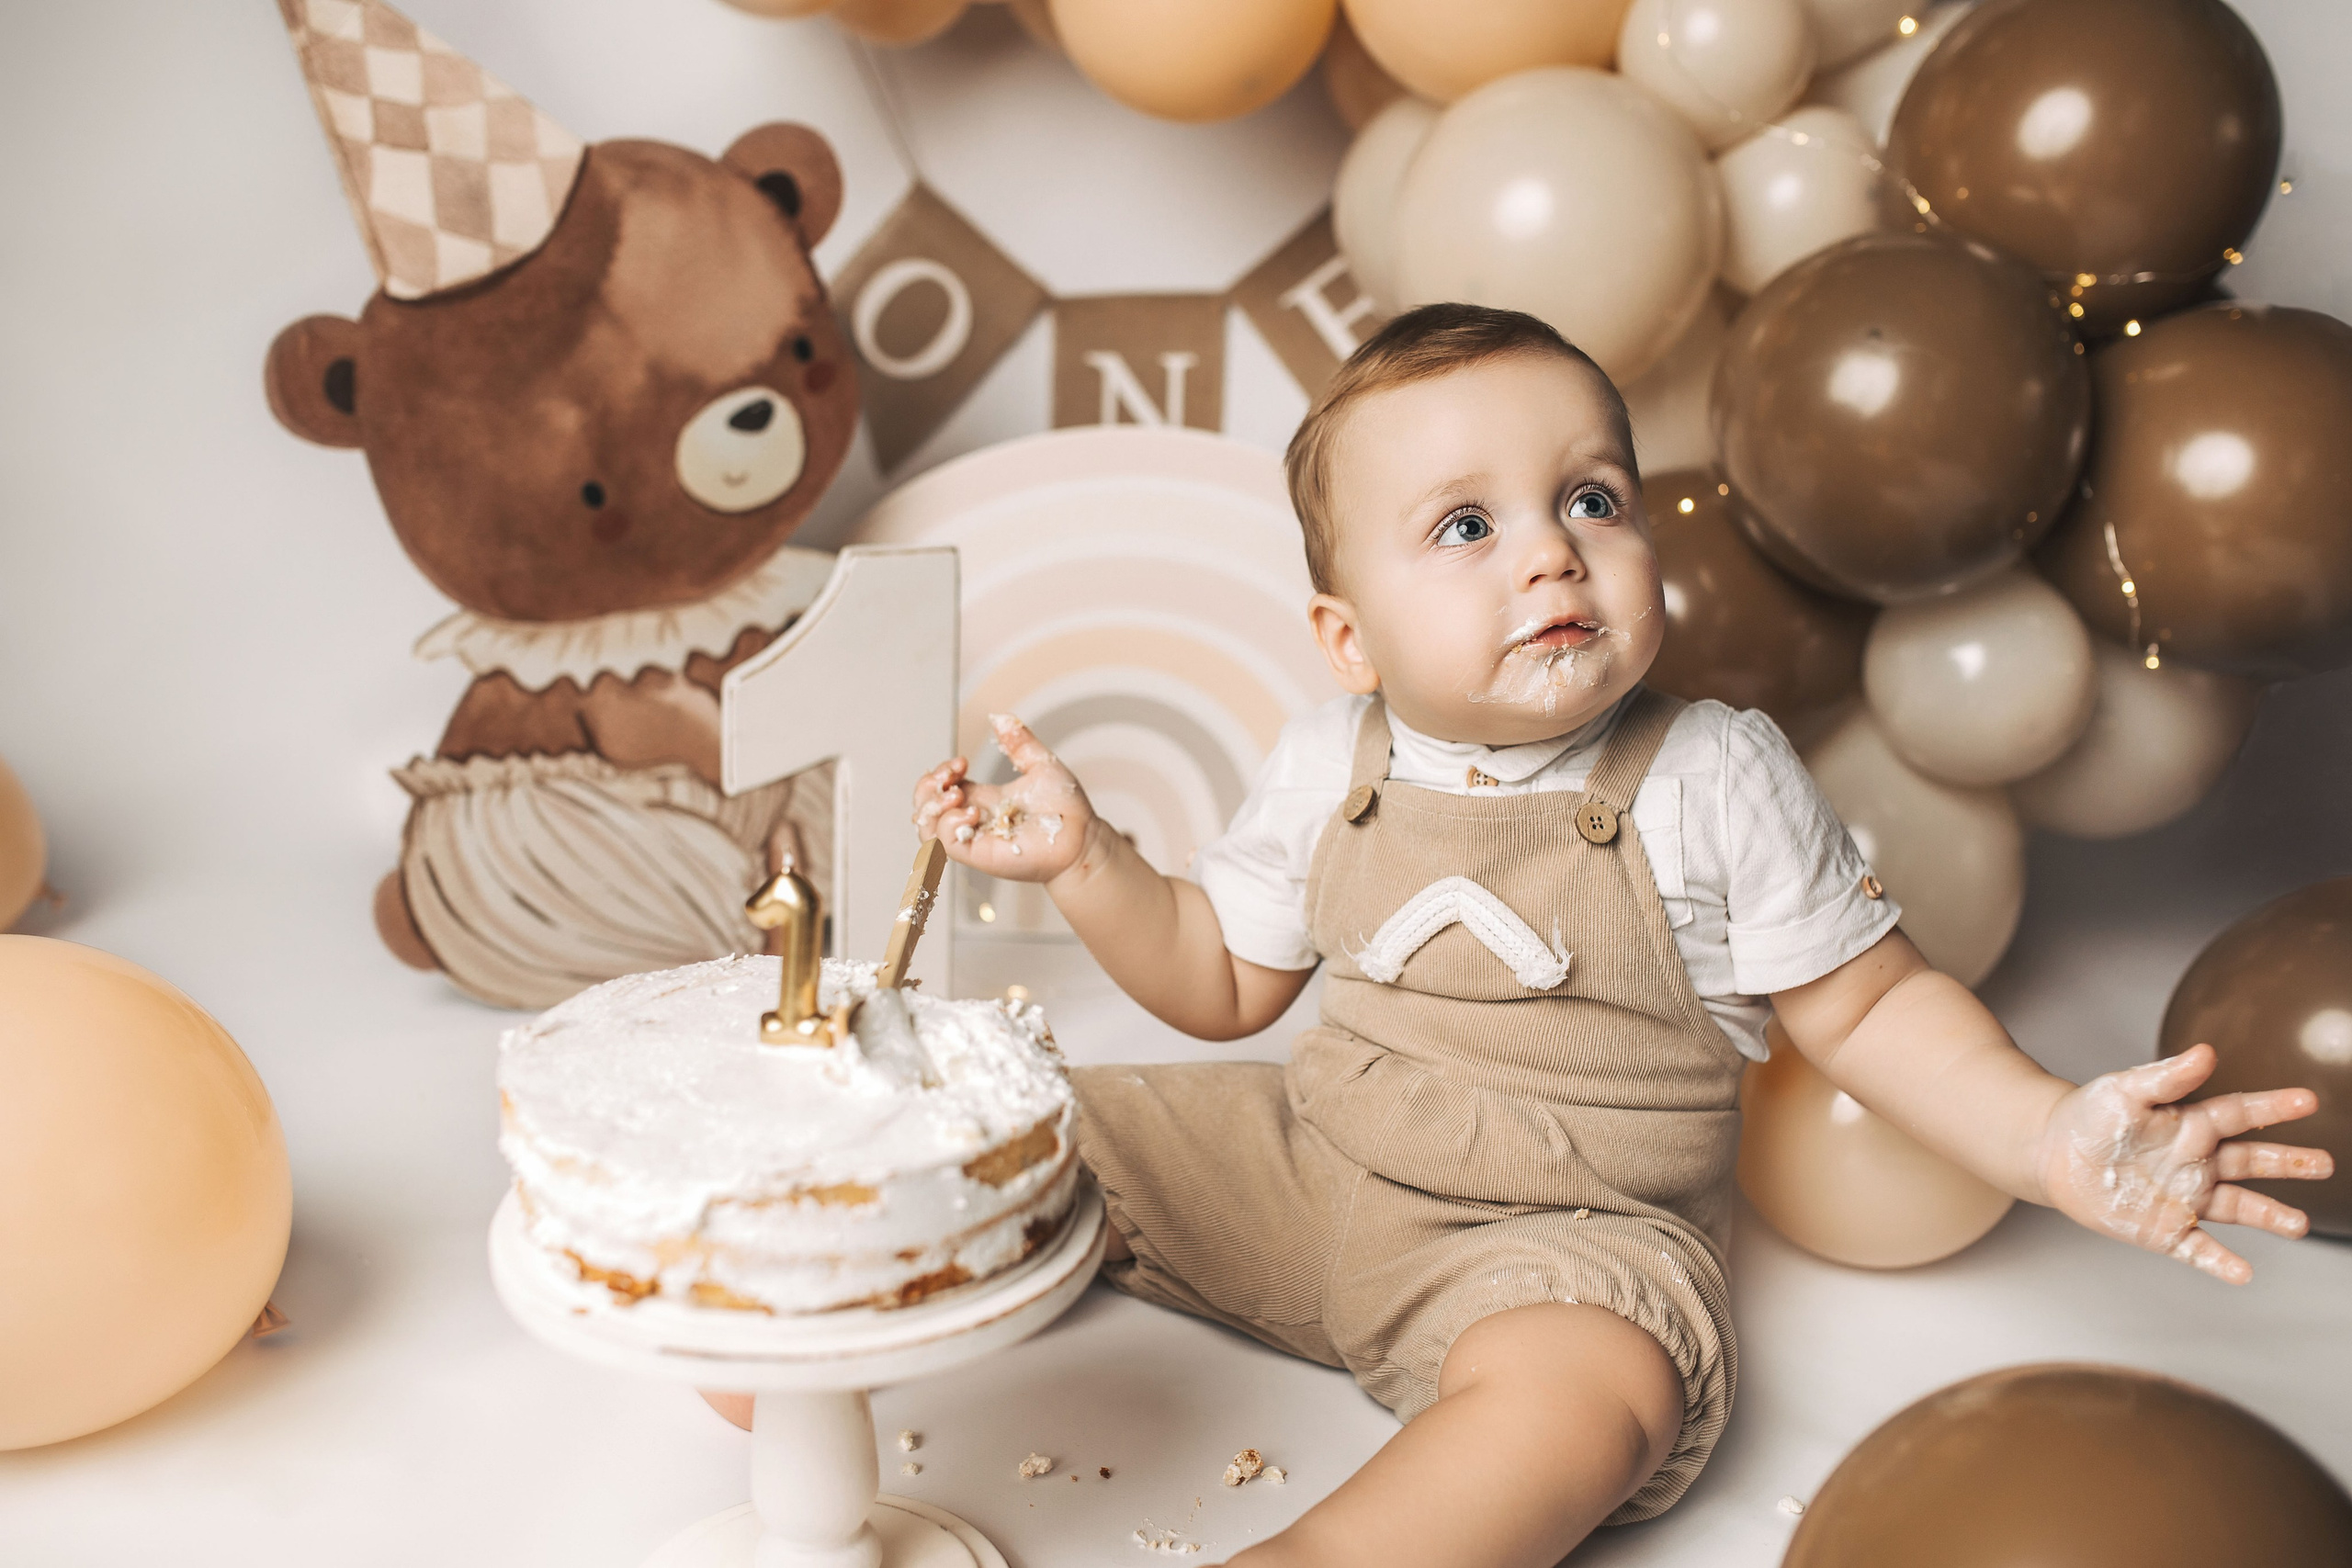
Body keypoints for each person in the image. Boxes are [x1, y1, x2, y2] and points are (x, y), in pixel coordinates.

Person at [910, 303, 2333, 1568]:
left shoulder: (1711, 773)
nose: (1551, 555)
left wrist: (2047, 1135)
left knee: (1599, 1394)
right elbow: (1222, 982)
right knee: (1019, 1128)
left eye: (1592, 500)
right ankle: (832, 1289)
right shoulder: (1325, 758)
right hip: (1305, 1165)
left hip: (1564, 1246)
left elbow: (1873, 1009)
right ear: (1350, 640)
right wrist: (1093, 865)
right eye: (1467, 528)